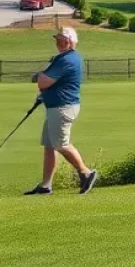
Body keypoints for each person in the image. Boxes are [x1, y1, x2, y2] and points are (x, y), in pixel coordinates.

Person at [25, 27, 98, 196]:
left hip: (62, 107)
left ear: (70, 42)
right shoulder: (64, 58)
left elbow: (43, 82)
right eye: (57, 39)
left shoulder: (67, 60)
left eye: (61, 40)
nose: (58, 42)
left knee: (60, 144)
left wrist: (41, 75)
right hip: (56, 106)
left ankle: (86, 173)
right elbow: (48, 82)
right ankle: (45, 185)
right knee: (49, 145)